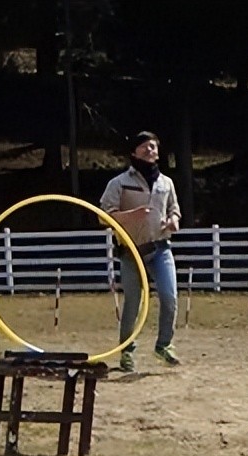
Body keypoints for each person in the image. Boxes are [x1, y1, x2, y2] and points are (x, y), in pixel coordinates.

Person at [100, 131, 182, 372]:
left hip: (160, 247)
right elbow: (103, 217)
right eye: (145, 146)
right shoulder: (118, 183)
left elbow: (174, 209)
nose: (150, 150)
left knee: (169, 297)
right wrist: (130, 216)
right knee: (133, 302)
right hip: (130, 251)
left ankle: (164, 345)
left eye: (154, 147)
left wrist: (173, 221)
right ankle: (127, 350)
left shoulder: (166, 183)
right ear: (133, 152)